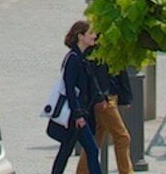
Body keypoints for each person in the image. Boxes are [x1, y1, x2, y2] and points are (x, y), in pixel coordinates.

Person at [48, 22, 118, 174]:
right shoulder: (73, 59)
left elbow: (89, 85)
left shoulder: (83, 58)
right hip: (75, 115)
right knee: (91, 149)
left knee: (66, 150)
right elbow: (70, 89)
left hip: (79, 113)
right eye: (91, 33)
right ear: (80, 36)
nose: (94, 36)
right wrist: (78, 114)